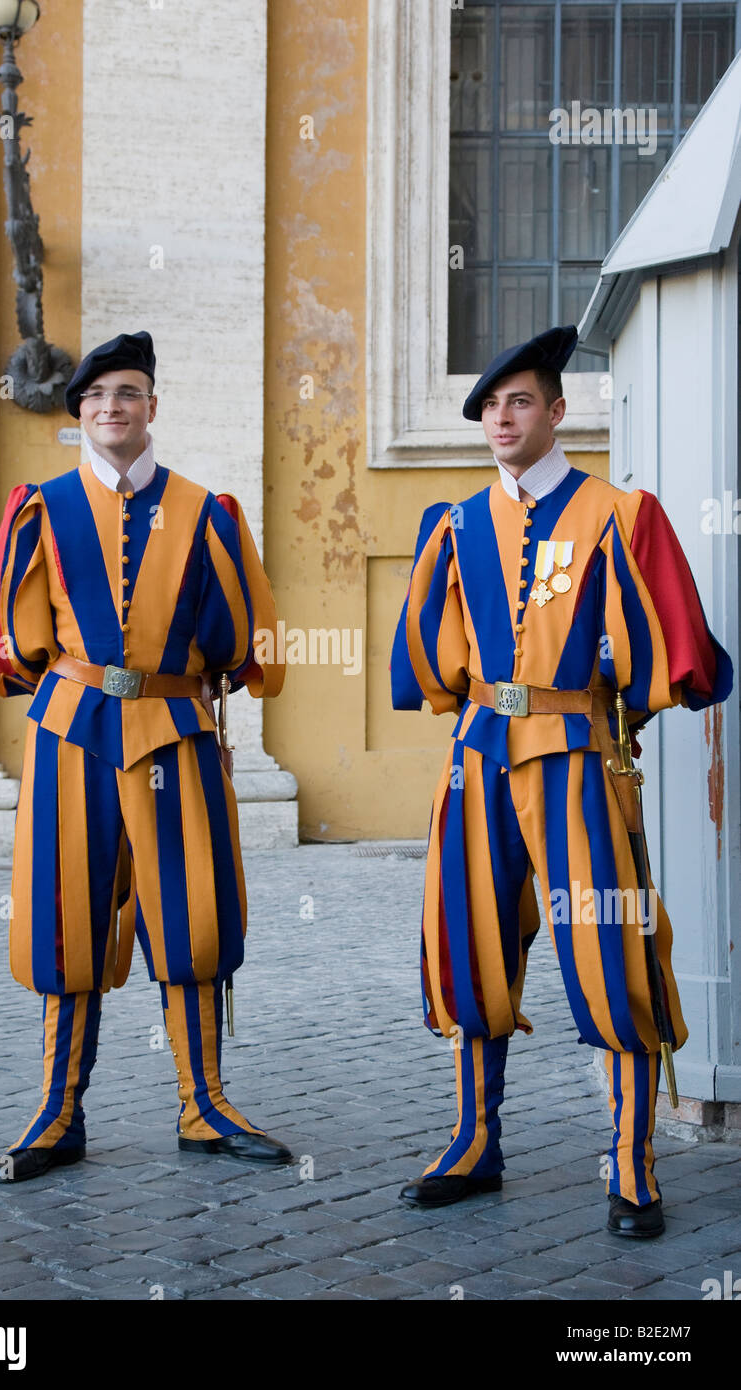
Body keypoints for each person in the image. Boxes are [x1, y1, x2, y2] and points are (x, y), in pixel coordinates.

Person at [390, 325, 732, 1237]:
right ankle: (473, 1141)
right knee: (470, 947)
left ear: (557, 410)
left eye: (521, 402)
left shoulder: (619, 514)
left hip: (579, 757)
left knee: (609, 954)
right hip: (476, 761)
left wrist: (626, 669)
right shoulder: (454, 525)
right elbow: (422, 661)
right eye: (491, 407)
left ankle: (630, 1162)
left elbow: (686, 653)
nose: (503, 419)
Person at [0, 330, 291, 1182]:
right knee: (65, 914)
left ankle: (205, 1105)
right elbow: (13, 640)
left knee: (192, 913)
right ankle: (57, 1112)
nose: (113, 407)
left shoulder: (205, 510)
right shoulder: (40, 507)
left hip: (175, 728)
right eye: (98, 396)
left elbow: (236, 634)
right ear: (80, 414)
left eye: (130, 392)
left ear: (153, 406)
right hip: (71, 731)